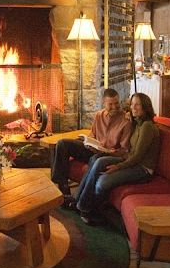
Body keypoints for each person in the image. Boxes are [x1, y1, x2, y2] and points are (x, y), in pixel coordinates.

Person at [73, 92, 160, 225]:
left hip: (142, 169)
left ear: (145, 107)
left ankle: (86, 207)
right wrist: (128, 112)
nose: (133, 108)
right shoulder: (137, 122)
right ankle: (81, 203)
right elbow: (124, 110)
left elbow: (137, 157)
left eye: (138, 105)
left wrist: (117, 167)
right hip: (130, 160)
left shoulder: (147, 126)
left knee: (102, 182)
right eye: (132, 104)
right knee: (99, 160)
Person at [51, 88, 132, 200]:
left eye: (116, 103)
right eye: (110, 104)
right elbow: (92, 135)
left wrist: (111, 152)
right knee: (62, 144)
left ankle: (75, 197)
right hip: (93, 150)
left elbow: (124, 149)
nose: (114, 107)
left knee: (95, 159)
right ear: (104, 103)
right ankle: (63, 185)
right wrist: (89, 142)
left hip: (107, 155)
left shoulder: (126, 120)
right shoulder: (99, 115)